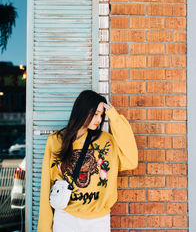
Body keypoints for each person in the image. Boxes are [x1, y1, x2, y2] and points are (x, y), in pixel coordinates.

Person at [37, 90, 138, 232]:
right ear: (82, 111)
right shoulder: (56, 140)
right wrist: (44, 228)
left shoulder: (106, 141)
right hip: (65, 218)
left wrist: (114, 116)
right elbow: (46, 185)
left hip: (97, 221)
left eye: (101, 115)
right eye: (95, 114)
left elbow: (131, 160)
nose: (99, 119)